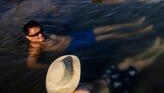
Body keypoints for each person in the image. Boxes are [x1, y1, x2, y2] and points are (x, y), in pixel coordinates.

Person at [45, 38, 164, 93]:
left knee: (128, 61)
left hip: (105, 79)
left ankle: (154, 47)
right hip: (115, 87)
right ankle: (162, 49)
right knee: (140, 65)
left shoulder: (63, 91)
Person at [22, 18, 152, 69]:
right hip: (73, 44)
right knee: (111, 35)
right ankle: (137, 33)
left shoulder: (42, 35)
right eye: (35, 35)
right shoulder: (35, 47)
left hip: (74, 36)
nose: (40, 35)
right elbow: (31, 63)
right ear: (28, 37)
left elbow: (55, 36)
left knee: (107, 28)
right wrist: (54, 67)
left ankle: (134, 23)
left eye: (41, 31)